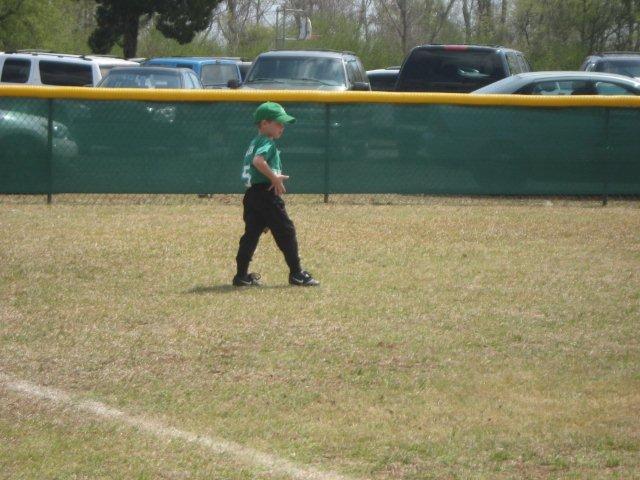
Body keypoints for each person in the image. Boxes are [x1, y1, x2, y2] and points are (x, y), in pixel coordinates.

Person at [233, 102, 319, 287]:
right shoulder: (266, 142)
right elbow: (258, 161)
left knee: (251, 234)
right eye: (279, 123)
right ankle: (296, 274)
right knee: (286, 231)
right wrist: (274, 178)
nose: (282, 127)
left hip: (252, 196)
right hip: (266, 194)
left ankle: (241, 276)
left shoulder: (254, 142)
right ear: (264, 123)